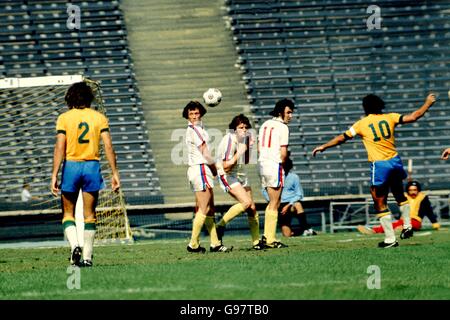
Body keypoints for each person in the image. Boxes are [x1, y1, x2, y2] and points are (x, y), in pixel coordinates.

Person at [312, 93, 436, 248]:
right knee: (399, 195)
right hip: (395, 161)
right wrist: (428, 103)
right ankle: (407, 225)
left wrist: (324, 146)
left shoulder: (362, 123)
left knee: (379, 201)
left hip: (380, 165)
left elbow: (342, 138)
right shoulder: (391, 117)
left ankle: (390, 239)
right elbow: (414, 116)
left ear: (365, 107)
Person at [51, 81, 121, 267]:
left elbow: (60, 146)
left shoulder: (64, 118)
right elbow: (108, 146)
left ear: (70, 97)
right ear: (90, 97)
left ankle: (75, 246)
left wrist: (54, 175)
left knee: (68, 213)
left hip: (72, 166)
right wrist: (115, 173)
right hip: (92, 166)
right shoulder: (99, 118)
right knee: (90, 215)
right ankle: (88, 258)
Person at [183, 100, 231, 253]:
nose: (194, 116)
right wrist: (215, 168)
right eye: (191, 114)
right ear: (187, 116)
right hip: (201, 169)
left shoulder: (198, 129)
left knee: (209, 209)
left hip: (198, 170)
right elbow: (205, 154)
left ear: (201, 113)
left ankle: (215, 243)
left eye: (196, 113)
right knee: (204, 208)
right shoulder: (195, 130)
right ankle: (193, 244)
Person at [215, 114, 264, 250]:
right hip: (227, 175)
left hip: (241, 174)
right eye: (240, 127)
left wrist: (249, 147)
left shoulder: (245, 139)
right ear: (234, 129)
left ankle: (256, 242)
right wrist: (239, 152)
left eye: (245, 127)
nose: (244, 130)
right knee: (246, 203)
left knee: (252, 208)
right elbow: (226, 166)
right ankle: (220, 226)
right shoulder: (229, 140)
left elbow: (246, 161)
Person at [258, 98, 295, 248]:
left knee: (272, 202)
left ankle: (267, 236)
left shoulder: (265, 124)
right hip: (274, 164)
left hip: (262, 164)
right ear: (281, 112)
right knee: (275, 202)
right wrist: (284, 166)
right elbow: (283, 152)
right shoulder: (283, 127)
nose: (290, 115)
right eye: (288, 112)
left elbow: (260, 148)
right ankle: (270, 239)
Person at [357, 180, 441, 234]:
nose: (412, 192)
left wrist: (435, 223)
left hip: (416, 220)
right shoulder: (404, 196)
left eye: (414, 190)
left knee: (401, 224)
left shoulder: (423, 197)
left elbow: (429, 211)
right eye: (410, 190)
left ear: (418, 190)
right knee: (396, 223)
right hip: (404, 219)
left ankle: (375, 230)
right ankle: (397, 229)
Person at [262, 155, 316, 237]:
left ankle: (306, 228)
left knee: (298, 205)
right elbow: (264, 190)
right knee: (287, 235)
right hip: (278, 205)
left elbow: (299, 194)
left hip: (290, 204)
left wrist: (289, 204)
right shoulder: (272, 177)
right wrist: (274, 202)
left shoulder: (294, 177)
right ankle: (302, 231)